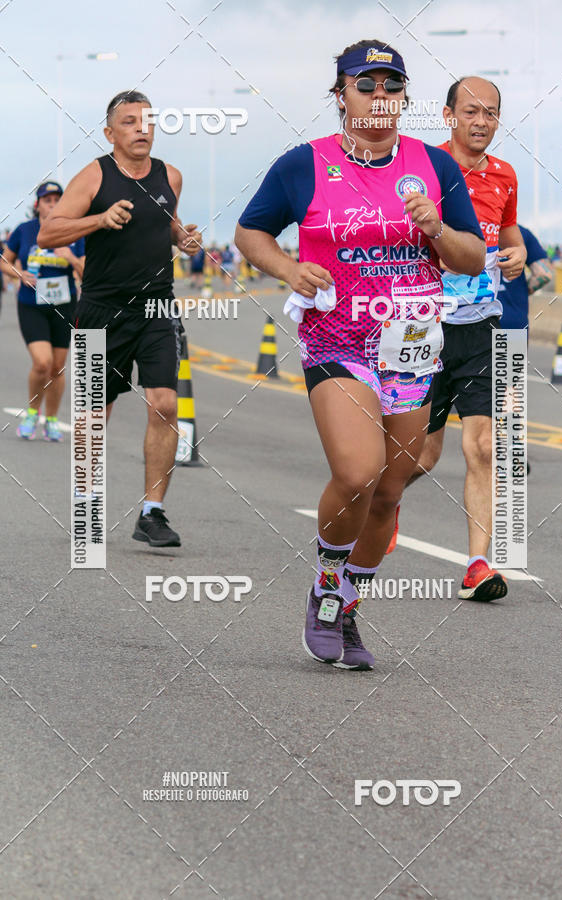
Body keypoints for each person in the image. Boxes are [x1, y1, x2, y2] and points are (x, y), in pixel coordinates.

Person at [236, 40, 485, 670]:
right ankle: (324, 587)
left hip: (411, 344)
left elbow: (472, 258)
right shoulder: (304, 164)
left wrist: (436, 229)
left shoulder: (434, 165)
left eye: (391, 86)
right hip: (337, 340)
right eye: (366, 85)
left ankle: (347, 604)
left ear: (403, 95)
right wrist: (288, 267)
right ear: (341, 93)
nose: (380, 97)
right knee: (358, 471)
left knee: (389, 490)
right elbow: (250, 232)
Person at [38, 90, 202, 547]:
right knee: (93, 415)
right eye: (129, 122)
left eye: (147, 121)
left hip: (156, 307)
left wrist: (182, 237)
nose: (141, 129)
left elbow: (166, 223)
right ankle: (86, 506)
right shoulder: (94, 176)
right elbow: (49, 233)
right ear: (110, 133)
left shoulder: (171, 175)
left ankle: (152, 513)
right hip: (99, 312)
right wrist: (98, 220)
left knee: (165, 404)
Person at [402, 76, 527, 602]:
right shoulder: (422, 167)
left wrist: (516, 253)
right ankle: (379, 507)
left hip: (481, 329)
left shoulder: (505, 175)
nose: (482, 122)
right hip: (422, 327)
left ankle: (479, 564)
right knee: (420, 456)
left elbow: (508, 231)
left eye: (491, 113)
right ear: (449, 115)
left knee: (482, 445)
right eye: (472, 111)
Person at [1, 182, 85, 441]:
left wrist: (69, 257)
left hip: (64, 305)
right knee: (42, 363)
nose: (52, 204)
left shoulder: (74, 232)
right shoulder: (25, 231)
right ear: (37, 204)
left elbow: (86, 272)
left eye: (57, 200)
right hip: (31, 304)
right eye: (47, 200)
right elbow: (5, 260)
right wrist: (18, 273)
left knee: (58, 368)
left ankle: (51, 419)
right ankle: (32, 413)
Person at [499, 224, 552, 331]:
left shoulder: (472, 227)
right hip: (513, 321)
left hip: (472, 320)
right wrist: (522, 290)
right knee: (511, 348)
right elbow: (544, 274)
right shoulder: (522, 233)